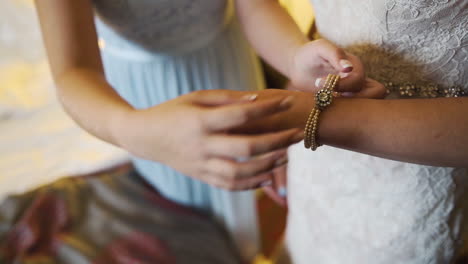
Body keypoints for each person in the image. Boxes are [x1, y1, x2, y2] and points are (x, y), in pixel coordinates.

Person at [34, 0, 385, 260]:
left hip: (227, 58)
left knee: (251, 177)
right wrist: (131, 129)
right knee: (188, 208)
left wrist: (294, 56)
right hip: (147, 99)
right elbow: (72, 70)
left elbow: (254, 6)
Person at [232, 0, 468, 263]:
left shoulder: (313, 117)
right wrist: (293, 58)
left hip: (418, 172)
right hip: (316, 157)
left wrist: (309, 117)